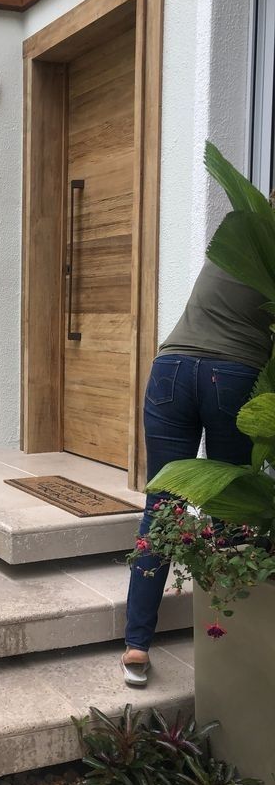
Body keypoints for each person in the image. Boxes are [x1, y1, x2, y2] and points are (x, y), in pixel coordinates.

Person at [122, 258, 271, 685]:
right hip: (232, 374)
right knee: (233, 509)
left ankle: (136, 646)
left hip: (171, 368)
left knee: (162, 507)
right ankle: (230, 641)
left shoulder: (237, 239)